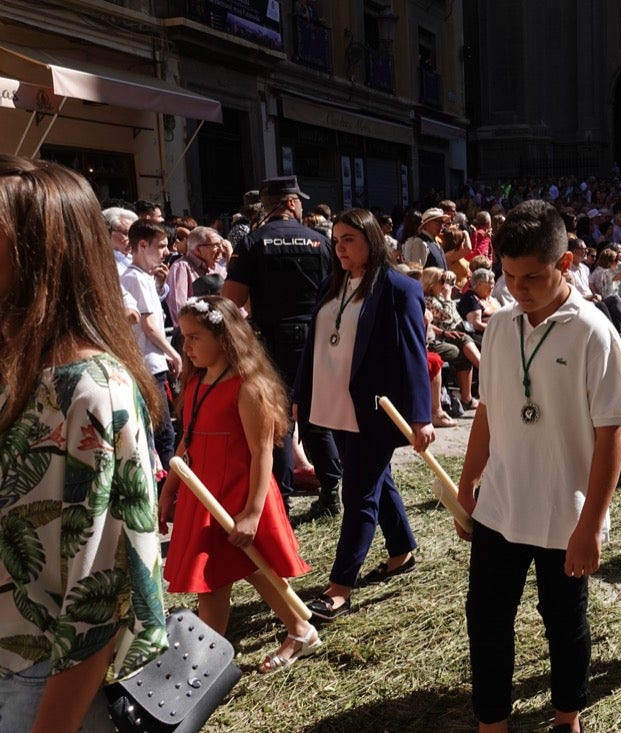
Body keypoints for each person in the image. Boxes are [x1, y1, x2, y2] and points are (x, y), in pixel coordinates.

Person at [0, 154, 167, 731]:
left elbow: (104, 592)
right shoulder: (14, 366)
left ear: (39, 256)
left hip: (39, 681)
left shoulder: (92, 391)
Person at [455, 199, 621, 733]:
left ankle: (566, 717)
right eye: (508, 275)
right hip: (501, 505)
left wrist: (592, 525)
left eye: (531, 276)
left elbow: (612, 431)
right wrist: (468, 486)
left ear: (566, 263)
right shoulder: (500, 325)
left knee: (563, 621)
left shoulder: (593, 333)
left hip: (564, 513)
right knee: (486, 617)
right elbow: (488, 410)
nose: (517, 288)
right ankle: (492, 721)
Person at [158, 296, 317, 673]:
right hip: (205, 494)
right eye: (185, 338)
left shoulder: (248, 388)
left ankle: (296, 632)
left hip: (240, 493)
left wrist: (252, 512)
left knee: (256, 568)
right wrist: (169, 492)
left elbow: (262, 454)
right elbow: (188, 442)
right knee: (212, 577)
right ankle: (205, 663)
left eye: (195, 337)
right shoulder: (197, 382)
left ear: (224, 336)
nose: (187, 347)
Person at [294, 209, 434, 622]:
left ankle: (340, 586)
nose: (339, 247)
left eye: (348, 239)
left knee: (358, 493)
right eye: (336, 240)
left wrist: (421, 416)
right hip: (332, 402)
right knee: (376, 478)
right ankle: (402, 550)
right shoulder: (330, 285)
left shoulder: (399, 289)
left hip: (374, 409)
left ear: (371, 240)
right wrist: (301, 393)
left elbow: (413, 354)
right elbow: (313, 346)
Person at [222, 175, 341, 515]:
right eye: (299, 201)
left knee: (277, 422)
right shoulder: (321, 242)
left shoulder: (252, 243)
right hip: (316, 340)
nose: (302, 205)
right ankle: (331, 493)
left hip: (272, 341)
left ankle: (282, 501)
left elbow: (231, 301)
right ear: (290, 203)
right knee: (317, 418)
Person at [120, 219, 181, 475]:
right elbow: (149, 326)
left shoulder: (142, 277)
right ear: (142, 245)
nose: (166, 252)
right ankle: (167, 494)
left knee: (162, 432)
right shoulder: (133, 277)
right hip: (148, 366)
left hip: (152, 362)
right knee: (162, 434)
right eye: (162, 246)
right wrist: (174, 353)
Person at [422, 266, 481, 414]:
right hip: (437, 337)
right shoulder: (428, 299)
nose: (444, 285)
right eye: (441, 281)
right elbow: (449, 316)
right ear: (432, 283)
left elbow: (455, 316)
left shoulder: (438, 297)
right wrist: (448, 298)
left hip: (450, 332)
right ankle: (485, 373)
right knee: (461, 346)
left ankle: (468, 397)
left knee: (464, 343)